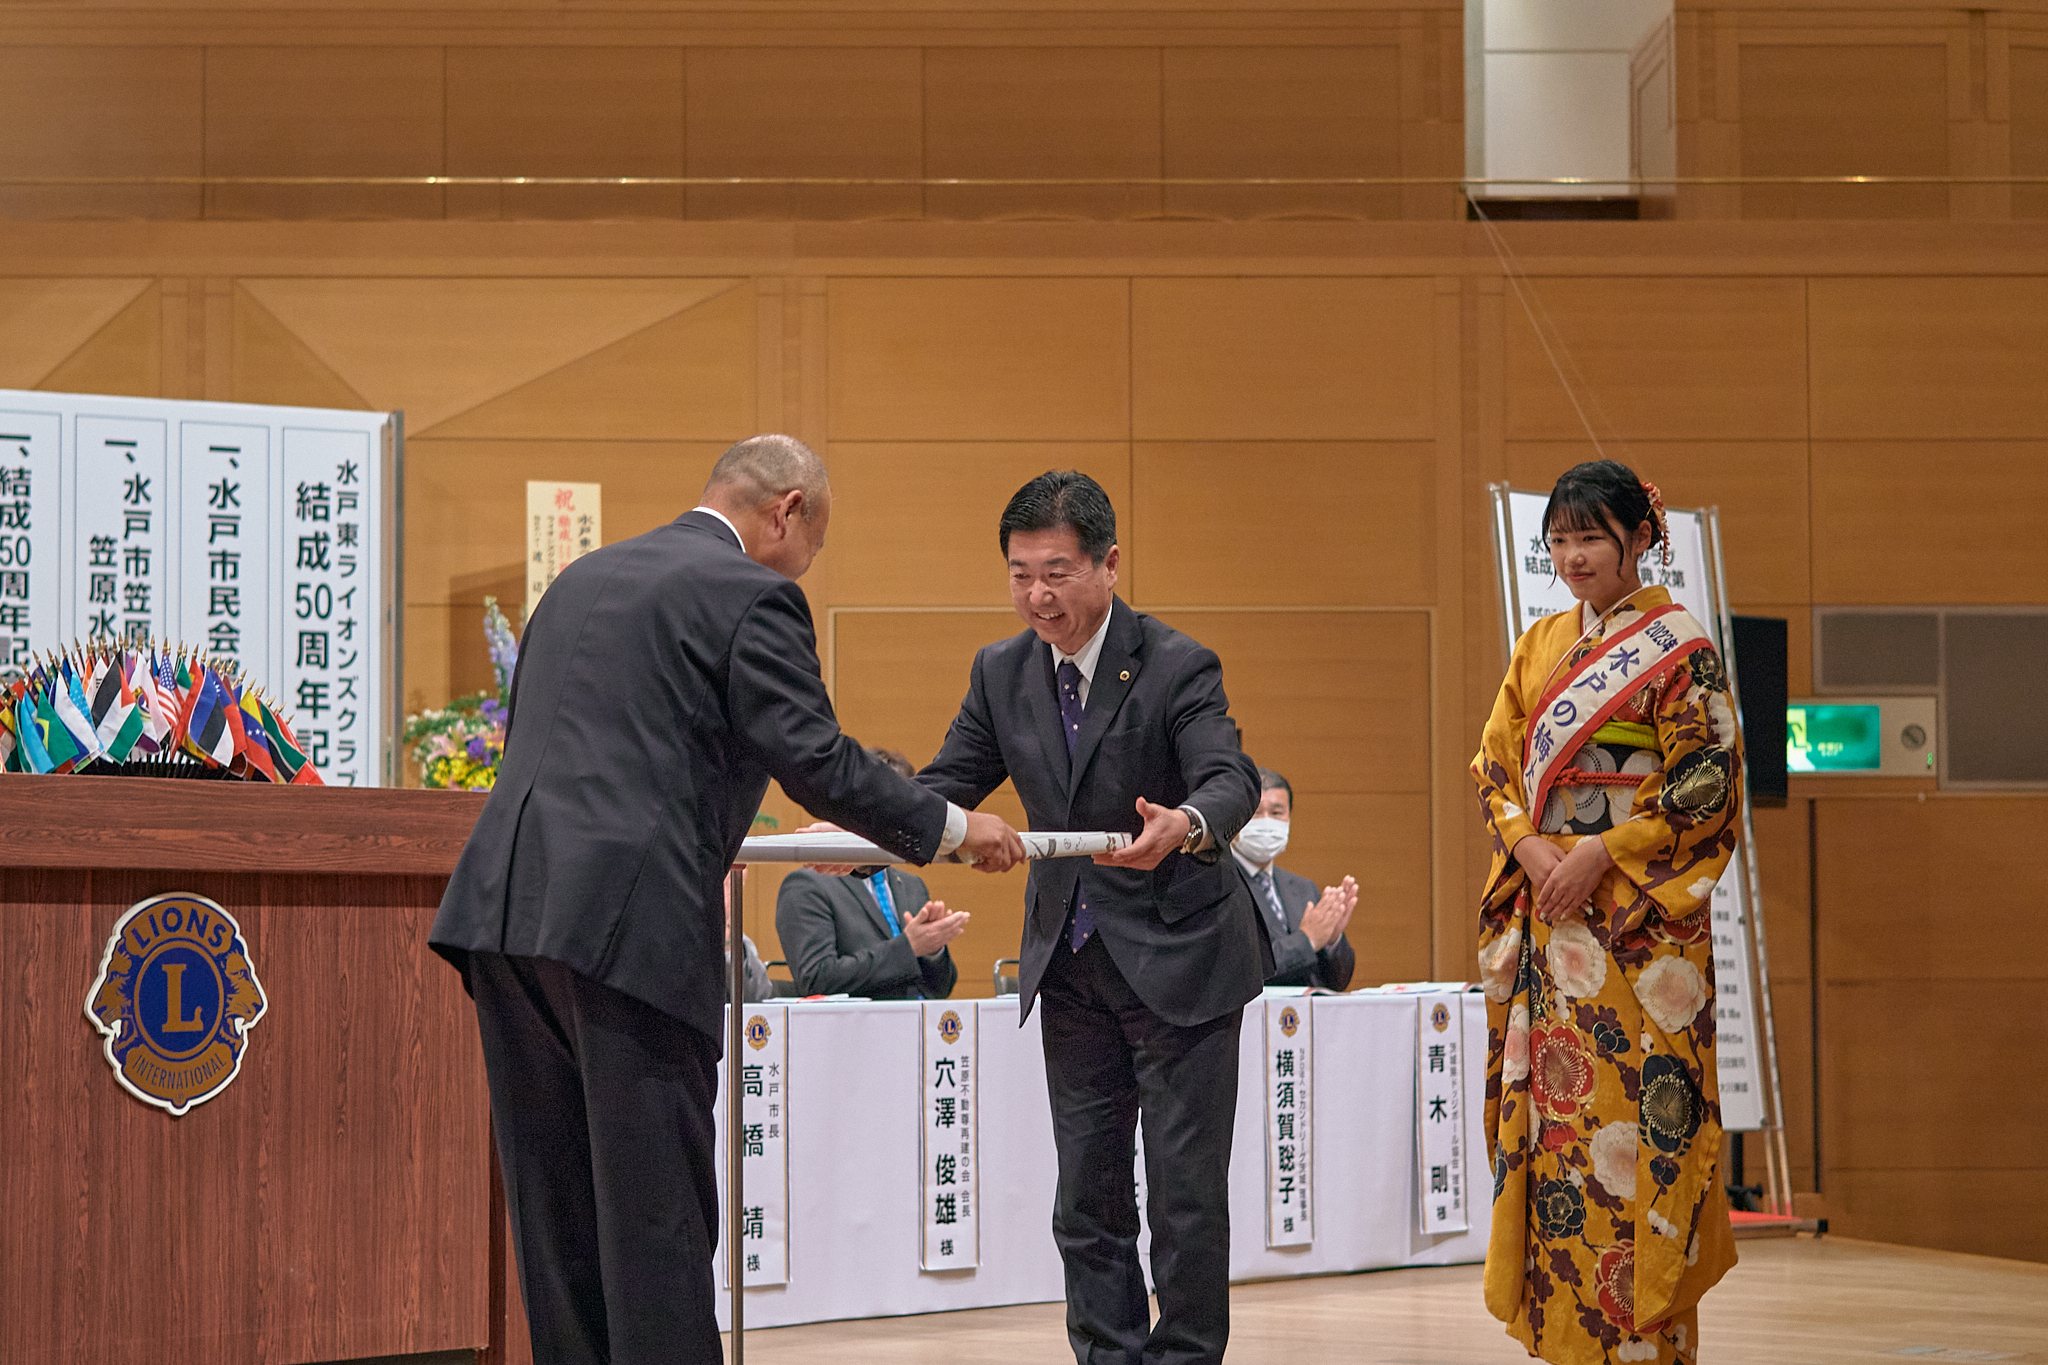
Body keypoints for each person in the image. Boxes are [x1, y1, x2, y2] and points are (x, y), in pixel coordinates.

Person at [429, 434, 1024, 1365]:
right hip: (628, 930)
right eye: (812, 549)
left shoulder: (581, 580)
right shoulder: (753, 593)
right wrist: (953, 827)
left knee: (558, 1224)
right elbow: (818, 759)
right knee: (655, 1224)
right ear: (786, 510)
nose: (804, 570)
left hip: (504, 917)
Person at [919, 469, 1265, 1365]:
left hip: (1182, 962)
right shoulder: (1001, 672)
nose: (1038, 595)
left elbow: (1228, 777)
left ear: (1110, 565)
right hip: (1070, 966)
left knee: (1186, 1199)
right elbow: (944, 785)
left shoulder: (1175, 662)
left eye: (1058, 571)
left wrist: (1186, 825)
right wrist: (867, 823)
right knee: (1087, 1197)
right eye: (1020, 572)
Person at [1470, 459, 1743, 1365]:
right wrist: (1533, 847)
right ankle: (1566, 1338)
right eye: (1558, 539)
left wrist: (1601, 850)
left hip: (1636, 931)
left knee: (1640, 1127)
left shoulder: (1680, 646)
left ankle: (1646, 1341)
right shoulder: (1541, 642)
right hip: (1557, 926)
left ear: (1639, 540)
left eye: (1590, 537)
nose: (1572, 556)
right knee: (1561, 1133)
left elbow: (1707, 779)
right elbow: (1496, 765)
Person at [775, 748, 965, 999]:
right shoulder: (807, 885)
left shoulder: (911, 884)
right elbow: (816, 979)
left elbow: (939, 989)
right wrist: (909, 947)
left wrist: (933, 950)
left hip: (920, 1027)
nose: (895, 825)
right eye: (886, 812)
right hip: (856, 1031)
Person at [1231, 767, 1358, 991]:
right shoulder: (1218, 885)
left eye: (1277, 813)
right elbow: (1238, 969)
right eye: (1255, 812)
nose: (1266, 822)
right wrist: (1307, 940)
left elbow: (1338, 982)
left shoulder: (1303, 888)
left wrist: (1331, 940)